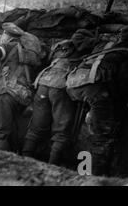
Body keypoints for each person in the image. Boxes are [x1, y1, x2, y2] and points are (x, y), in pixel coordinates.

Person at [66, 27, 128, 176]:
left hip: (74, 84)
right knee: (103, 137)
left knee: (92, 128)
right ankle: (94, 177)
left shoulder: (105, 45)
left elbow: (78, 36)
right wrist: (120, 110)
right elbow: (124, 86)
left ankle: (82, 170)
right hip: (97, 91)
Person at [22, 31, 94, 165]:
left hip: (43, 83)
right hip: (60, 86)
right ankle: (52, 166)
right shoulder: (85, 51)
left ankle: (24, 162)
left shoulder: (60, 48)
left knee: (36, 128)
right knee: (61, 131)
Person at [0, 23, 43, 151]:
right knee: (12, 130)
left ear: (7, 36)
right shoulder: (29, 53)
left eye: (3, 34)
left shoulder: (8, 46)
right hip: (23, 95)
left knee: (1, 133)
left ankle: (2, 163)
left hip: (6, 93)